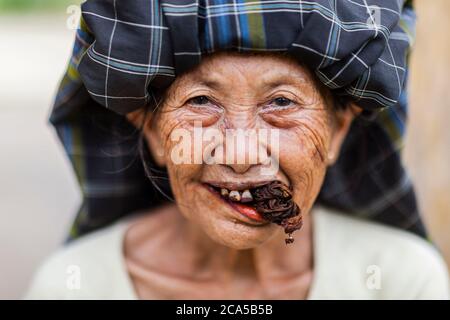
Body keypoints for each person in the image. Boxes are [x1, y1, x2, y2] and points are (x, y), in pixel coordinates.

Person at [25, 0, 449, 299]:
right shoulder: (72, 286)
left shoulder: (402, 281)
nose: (242, 154)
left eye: (281, 103)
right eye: (201, 103)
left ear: (337, 132)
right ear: (153, 133)